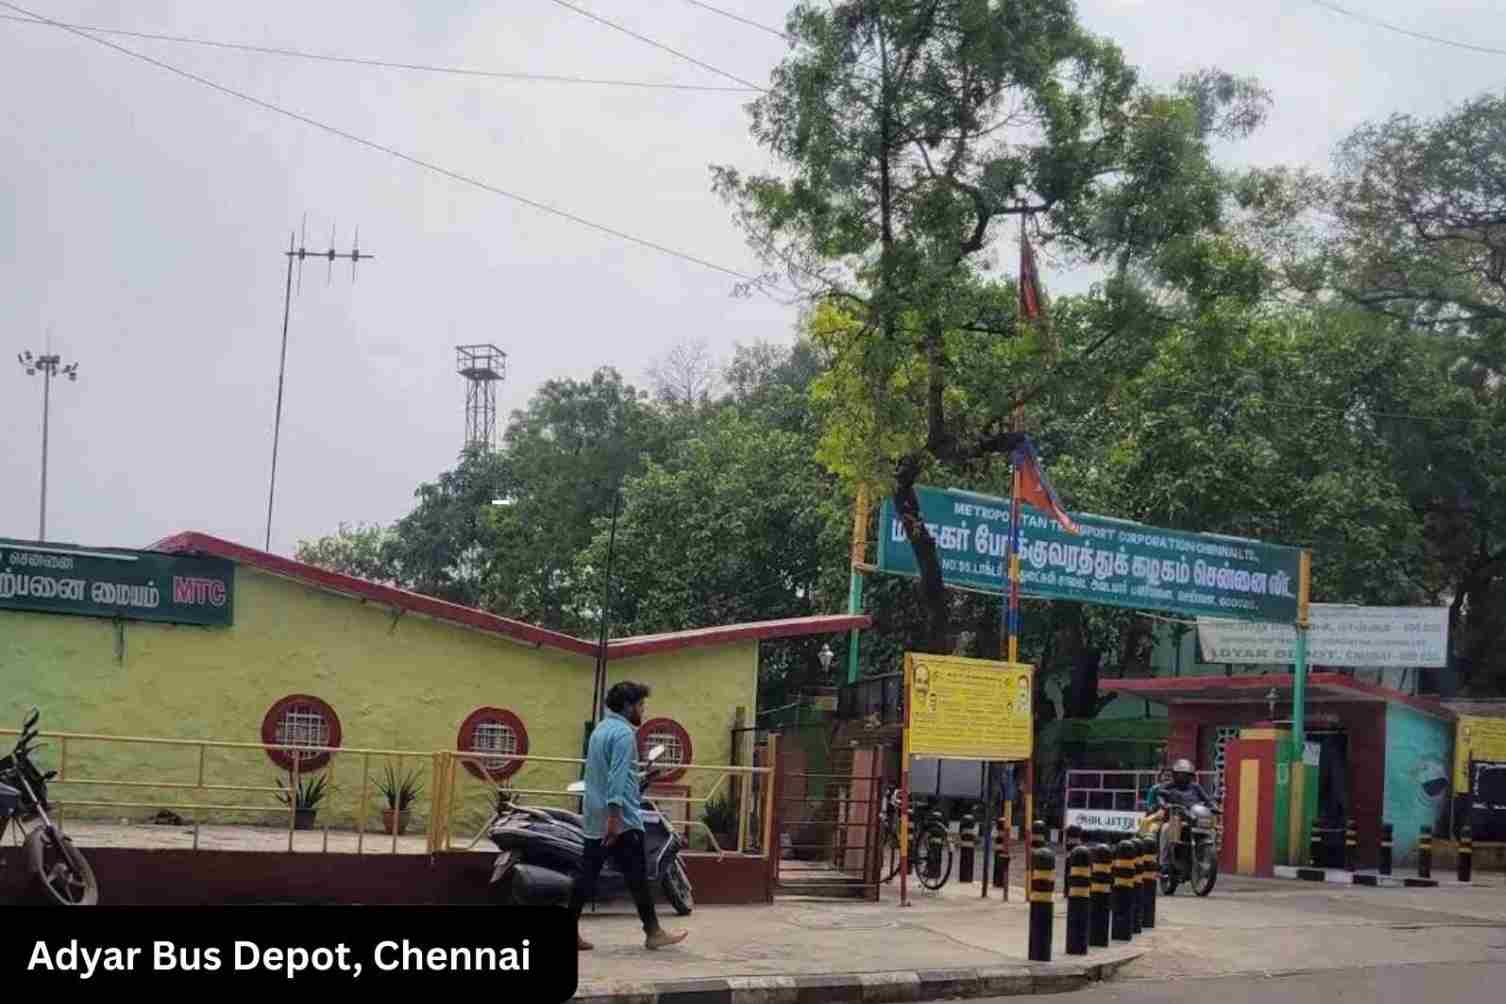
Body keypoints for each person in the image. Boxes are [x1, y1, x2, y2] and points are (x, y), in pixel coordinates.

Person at [571, 681, 688, 952]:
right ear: (627, 706)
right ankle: (654, 932)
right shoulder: (624, 734)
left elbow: (607, 774)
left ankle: (652, 930)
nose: (643, 711)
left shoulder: (601, 729)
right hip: (619, 820)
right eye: (640, 705)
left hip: (596, 814)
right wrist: (614, 819)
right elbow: (615, 778)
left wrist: (640, 777)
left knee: (588, 874)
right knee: (636, 875)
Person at [1152, 759, 1216, 872]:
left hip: (1194, 819)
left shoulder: (1196, 787)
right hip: (1175, 818)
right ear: (1175, 774)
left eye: (1186, 775)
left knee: (1211, 829)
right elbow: (1160, 796)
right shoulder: (1168, 786)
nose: (1183, 777)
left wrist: (1213, 807)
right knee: (1166, 829)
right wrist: (1163, 804)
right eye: (1180, 774)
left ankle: (1204, 857)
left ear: (1190, 776)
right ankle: (1164, 863)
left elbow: (1207, 800)